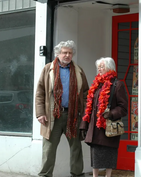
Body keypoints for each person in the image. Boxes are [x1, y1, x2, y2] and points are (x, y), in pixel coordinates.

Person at [35, 40, 89, 177]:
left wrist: (84, 114)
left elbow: (85, 93)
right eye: (64, 52)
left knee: (76, 147)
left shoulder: (78, 70)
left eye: (70, 53)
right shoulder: (48, 69)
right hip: (53, 115)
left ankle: (77, 174)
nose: (67, 55)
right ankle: (45, 175)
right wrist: (40, 113)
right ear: (58, 54)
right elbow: (40, 92)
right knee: (49, 148)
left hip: (73, 115)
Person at [80, 57, 128, 177]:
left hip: (108, 127)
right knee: (95, 155)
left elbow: (123, 108)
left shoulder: (117, 85)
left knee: (109, 154)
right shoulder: (97, 85)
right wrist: (84, 125)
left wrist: (111, 114)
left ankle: (108, 175)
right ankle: (95, 176)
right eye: (98, 67)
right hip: (95, 127)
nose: (99, 69)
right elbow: (89, 107)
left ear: (110, 68)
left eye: (102, 66)